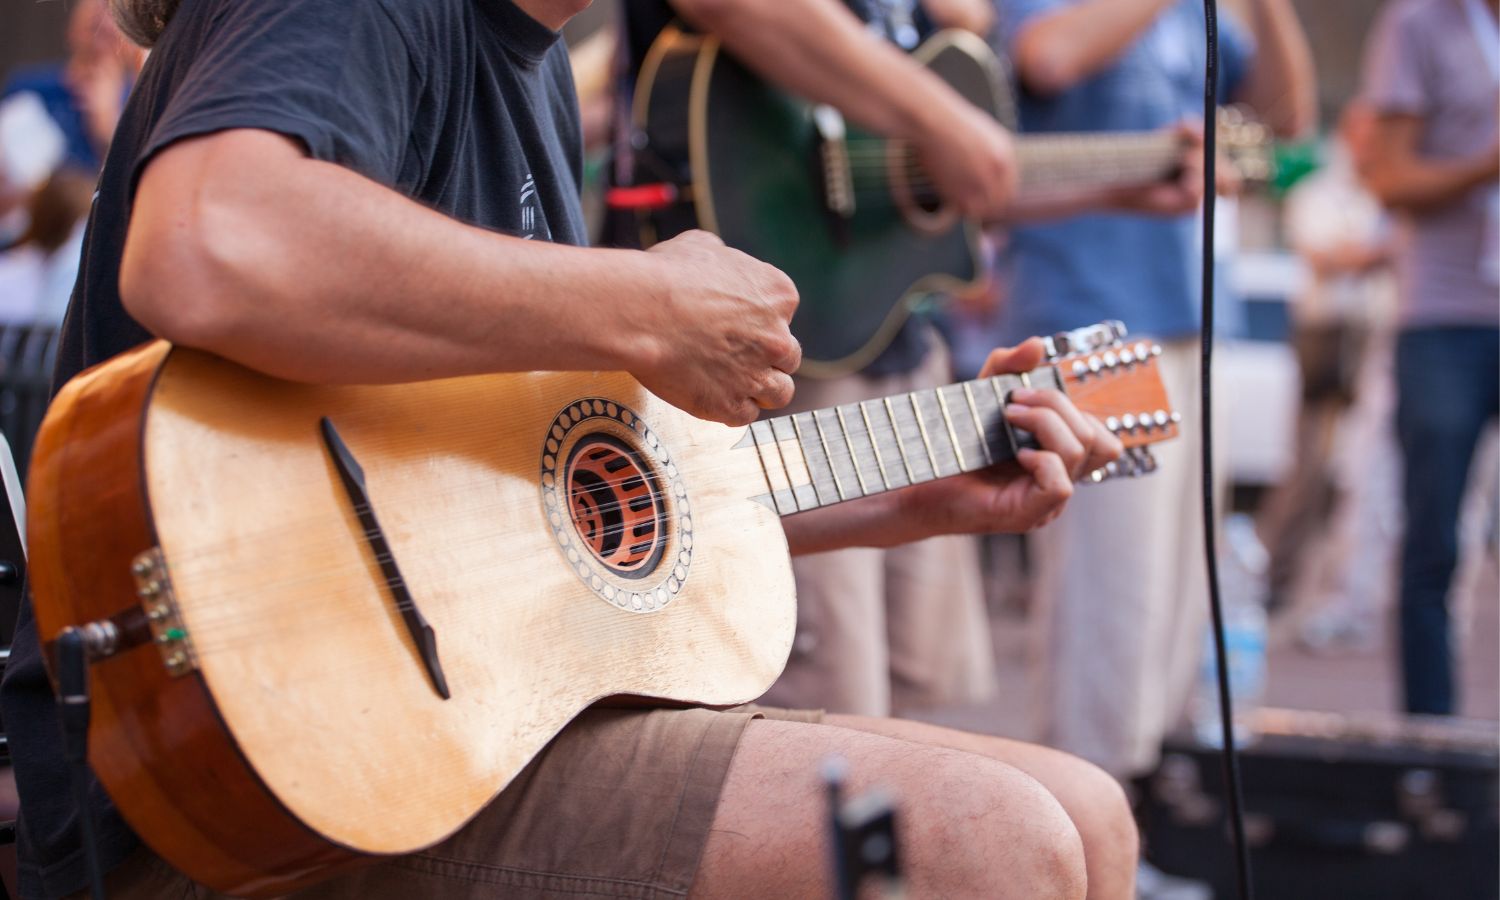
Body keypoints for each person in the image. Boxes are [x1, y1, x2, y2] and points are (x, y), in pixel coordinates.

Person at [0, 2, 1142, 899]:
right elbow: (207, 242)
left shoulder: (537, 67)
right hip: (242, 792)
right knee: (997, 844)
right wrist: (641, 298)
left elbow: (544, 514)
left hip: (456, 740)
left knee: (1091, 814)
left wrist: (907, 494)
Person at [610, 0, 1205, 723]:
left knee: (915, 718)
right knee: (829, 723)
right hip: (770, 349)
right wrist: (938, 119)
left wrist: (1115, 188)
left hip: (896, 342)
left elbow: (935, 180)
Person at [992, 0, 1316, 805]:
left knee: (1171, 608)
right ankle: (1076, 828)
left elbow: (1287, 120)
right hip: (1092, 322)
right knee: (1111, 598)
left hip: (1187, 323)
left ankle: (1128, 829)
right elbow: (1048, 58)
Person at [1358, 0, 1499, 716]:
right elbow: (1389, 182)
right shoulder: (1421, 24)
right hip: (1445, 318)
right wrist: (1486, 165)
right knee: (1432, 544)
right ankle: (1429, 745)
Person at [1257, 101, 1396, 617]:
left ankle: (1337, 593)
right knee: (1310, 467)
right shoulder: (1318, 194)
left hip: (1372, 339)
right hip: (1326, 340)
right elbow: (1327, 257)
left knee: (1359, 472)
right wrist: (1378, 252)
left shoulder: (1381, 194)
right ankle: (1276, 583)